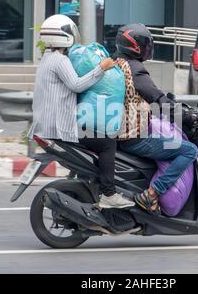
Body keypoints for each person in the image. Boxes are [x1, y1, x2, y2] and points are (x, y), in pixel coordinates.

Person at [28, 14, 135, 209]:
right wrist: (101, 68)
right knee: (107, 144)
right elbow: (77, 85)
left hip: (45, 126)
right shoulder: (60, 61)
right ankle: (109, 194)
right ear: (64, 36)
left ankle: (90, 183)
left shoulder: (45, 59)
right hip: (60, 128)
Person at [114, 24, 198, 215]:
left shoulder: (117, 62)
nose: (148, 48)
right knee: (189, 150)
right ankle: (152, 193)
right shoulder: (135, 68)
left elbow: (140, 99)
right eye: (145, 44)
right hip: (133, 138)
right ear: (135, 46)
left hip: (118, 132)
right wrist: (185, 116)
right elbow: (157, 98)